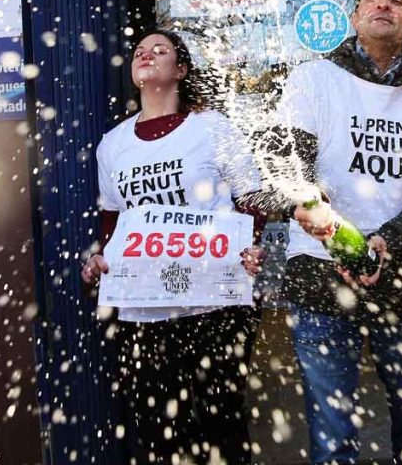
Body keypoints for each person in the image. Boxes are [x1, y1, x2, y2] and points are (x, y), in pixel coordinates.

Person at [273, 0, 402, 465]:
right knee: (333, 430)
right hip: (319, 272)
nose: (384, 5)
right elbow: (290, 167)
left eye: (397, 0)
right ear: (355, 17)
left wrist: (384, 243)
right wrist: (331, 229)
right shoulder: (313, 78)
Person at [81, 29, 266, 464]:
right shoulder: (113, 145)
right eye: (140, 52)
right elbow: (114, 219)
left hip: (214, 307)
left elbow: (251, 199)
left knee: (221, 424)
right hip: (144, 311)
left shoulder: (212, 127)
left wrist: (250, 246)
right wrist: (100, 258)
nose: (147, 55)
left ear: (181, 70)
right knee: (159, 431)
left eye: (160, 50)